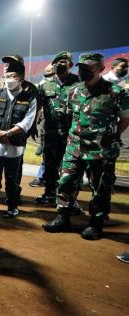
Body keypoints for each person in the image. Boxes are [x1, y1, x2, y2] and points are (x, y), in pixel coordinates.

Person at [43, 53, 129, 240]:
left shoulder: (115, 92)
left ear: (100, 69)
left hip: (101, 151)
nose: (82, 72)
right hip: (74, 147)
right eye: (80, 68)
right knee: (65, 182)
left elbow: (125, 118)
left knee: (100, 188)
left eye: (87, 68)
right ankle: (62, 217)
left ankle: (96, 223)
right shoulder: (74, 91)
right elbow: (67, 116)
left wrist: (113, 136)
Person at [0, 55, 37, 217]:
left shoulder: (29, 97)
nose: (9, 79)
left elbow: (27, 121)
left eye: (13, 77)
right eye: (7, 76)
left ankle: (12, 206)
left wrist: (8, 133)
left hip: (15, 145)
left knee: (12, 179)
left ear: (21, 78)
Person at [36, 52, 80, 205]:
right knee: (49, 164)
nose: (60, 64)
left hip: (72, 134)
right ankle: (49, 193)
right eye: (57, 62)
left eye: (64, 61)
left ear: (71, 65)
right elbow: (38, 106)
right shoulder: (44, 84)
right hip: (51, 133)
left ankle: (68, 198)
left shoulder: (79, 83)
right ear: (52, 65)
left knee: (70, 167)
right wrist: (35, 126)